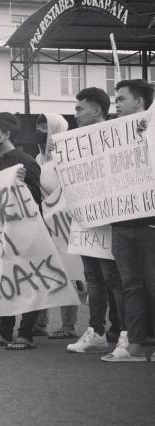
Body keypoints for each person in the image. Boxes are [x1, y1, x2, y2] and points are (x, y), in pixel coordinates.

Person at [64, 88, 125, 355]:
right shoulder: (73, 140)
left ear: (97, 110)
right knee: (93, 280)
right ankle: (97, 331)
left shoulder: (116, 134)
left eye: (80, 109)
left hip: (109, 218)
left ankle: (125, 332)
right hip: (84, 219)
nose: (76, 114)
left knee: (114, 279)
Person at [0, 112, 42, 351]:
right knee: (4, 280)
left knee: (28, 283)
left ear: (6, 134)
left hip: (26, 235)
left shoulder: (25, 162)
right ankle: (4, 331)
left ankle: (25, 334)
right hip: (2, 234)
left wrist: (21, 185)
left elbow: (37, 199)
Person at [102, 79, 155, 362]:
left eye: (122, 99)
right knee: (131, 285)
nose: (117, 104)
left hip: (150, 222)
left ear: (139, 101)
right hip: (121, 223)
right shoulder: (111, 134)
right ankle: (135, 344)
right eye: (116, 99)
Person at [32, 113, 80, 340]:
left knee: (66, 273)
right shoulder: (39, 159)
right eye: (39, 126)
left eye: (46, 126)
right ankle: (39, 322)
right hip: (42, 222)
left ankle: (68, 325)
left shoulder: (67, 156)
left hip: (63, 222)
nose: (42, 130)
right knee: (40, 272)